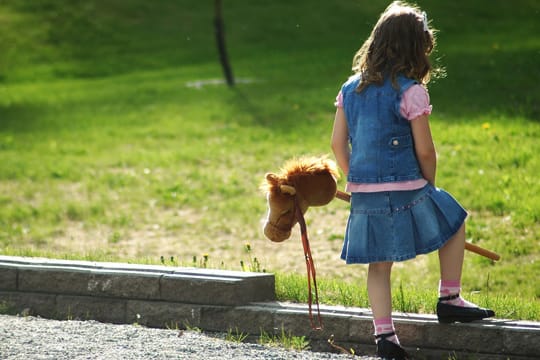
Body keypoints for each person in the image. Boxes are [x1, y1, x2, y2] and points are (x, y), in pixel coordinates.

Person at [330, 2, 495, 359]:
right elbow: (425, 151)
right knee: (454, 221)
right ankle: (449, 298)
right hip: (409, 186)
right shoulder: (411, 91)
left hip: (366, 192)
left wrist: (354, 178)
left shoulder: (349, 89)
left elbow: (336, 143)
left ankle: (385, 338)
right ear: (416, 49)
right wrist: (429, 185)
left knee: (379, 263)